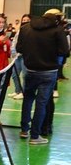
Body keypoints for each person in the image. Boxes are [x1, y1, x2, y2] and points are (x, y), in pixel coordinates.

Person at [17, 8, 69, 145]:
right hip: (48, 72)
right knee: (42, 103)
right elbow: (64, 51)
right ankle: (35, 136)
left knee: (27, 100)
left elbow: (19, 48)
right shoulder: (57, 30)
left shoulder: (26, 28)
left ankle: (24, 130)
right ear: (55, 18)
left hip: (30, 70)